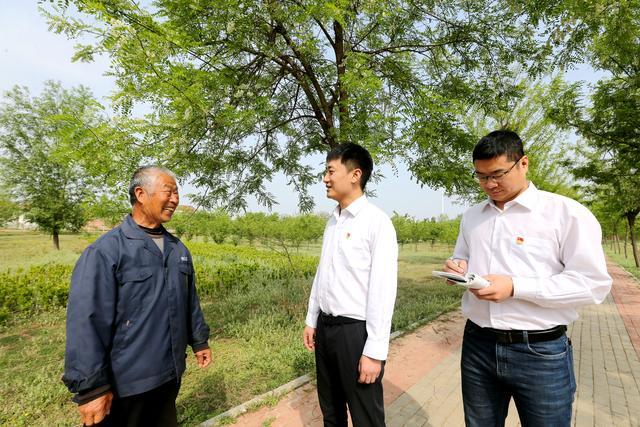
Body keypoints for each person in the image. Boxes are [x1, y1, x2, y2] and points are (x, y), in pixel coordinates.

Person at [442, 130, 612, 426]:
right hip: (478, 344)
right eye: (481, 176)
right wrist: (458, 268)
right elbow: (463, 256)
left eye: (497, 174)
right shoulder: (473, 216)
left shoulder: (566, 214)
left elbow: (592, 284)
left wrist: (515, 287)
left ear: (523, 163)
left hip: (540, 351)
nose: (489, 184)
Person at [62, 166, 212, 427]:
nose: (175, 199)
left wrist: (199, 341)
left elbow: (190, 301)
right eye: (169, 192)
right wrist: (91, 388)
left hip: (169, 374)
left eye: (177, 193)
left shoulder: (178, 250)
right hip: (126, 384)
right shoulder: (106, 251)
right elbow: (86, 320)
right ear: (141, 194)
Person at [303, 143, 398, 427]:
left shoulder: (377, 223)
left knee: (365, 415)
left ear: (355, 175)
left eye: (331, 171)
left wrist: (375, 352)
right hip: (326, 329)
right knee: (331, 413)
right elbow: (323, 273)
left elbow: (383, 291)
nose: (325, 178)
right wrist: (311, 319)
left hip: (355, 333)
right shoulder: (333, 221)